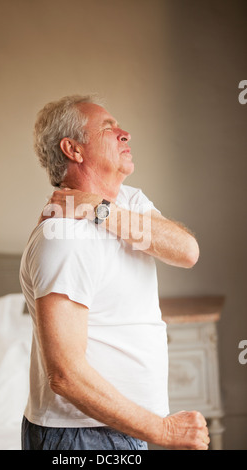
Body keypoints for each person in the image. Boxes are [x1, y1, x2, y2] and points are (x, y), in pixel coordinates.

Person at [19, 94, 210, 450]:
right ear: (73, 149)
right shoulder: (63, 235)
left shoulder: (126, 204)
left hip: (120, 429)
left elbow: (187, 251)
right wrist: (164, 432)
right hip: (81, 435)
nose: (125, 133)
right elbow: (64, 374)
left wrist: (99, 208)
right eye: (108, 128)